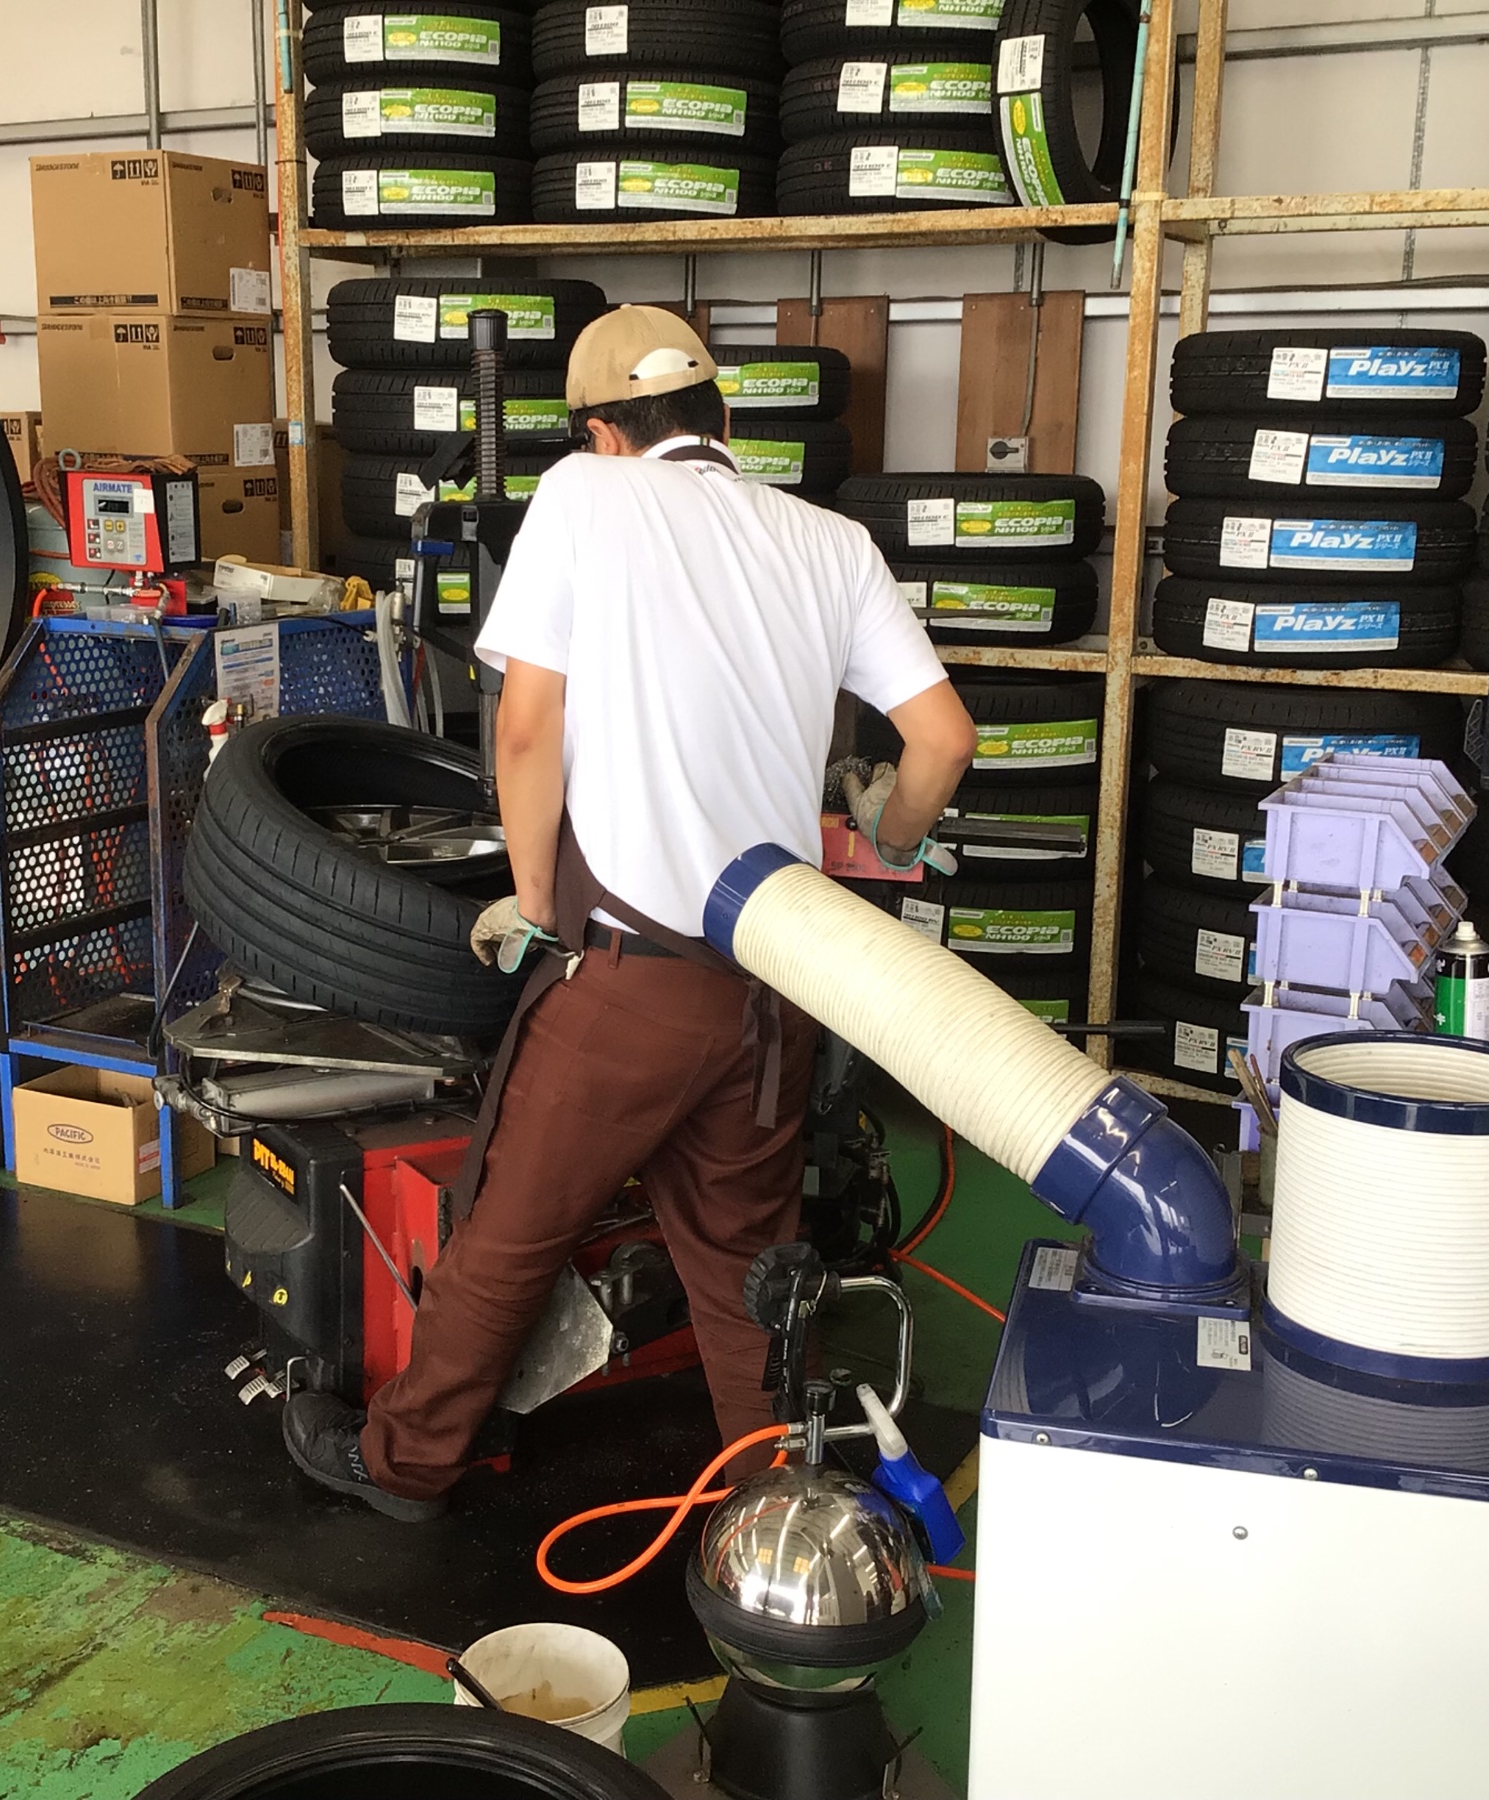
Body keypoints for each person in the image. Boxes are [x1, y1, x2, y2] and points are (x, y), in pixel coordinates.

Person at [283, 306, 976, 1520]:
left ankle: (403, 1464)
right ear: (719, 417)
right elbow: (943, 740)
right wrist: (892, 832)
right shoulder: (829, 541)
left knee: (508, 1233)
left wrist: (532, 903)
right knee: (746, 1269)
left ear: (603, 432)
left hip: (627, 977)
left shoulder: (585, 497)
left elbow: (525, 728)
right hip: (776, 984)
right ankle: (777, 1499)